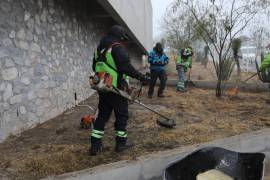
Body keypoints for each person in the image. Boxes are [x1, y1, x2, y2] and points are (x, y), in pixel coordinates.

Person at [90, 25, 149, 156]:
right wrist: (141, 77)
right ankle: (121, 143)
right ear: (119, 36)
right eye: (122, 38)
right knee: (122, 115)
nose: (123, 41)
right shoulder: (117, 47)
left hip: (103, 85)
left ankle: (95, 145)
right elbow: (125, 67)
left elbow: (94, 66)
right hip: (115, 87)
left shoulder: (99, 48)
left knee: (103, 115)